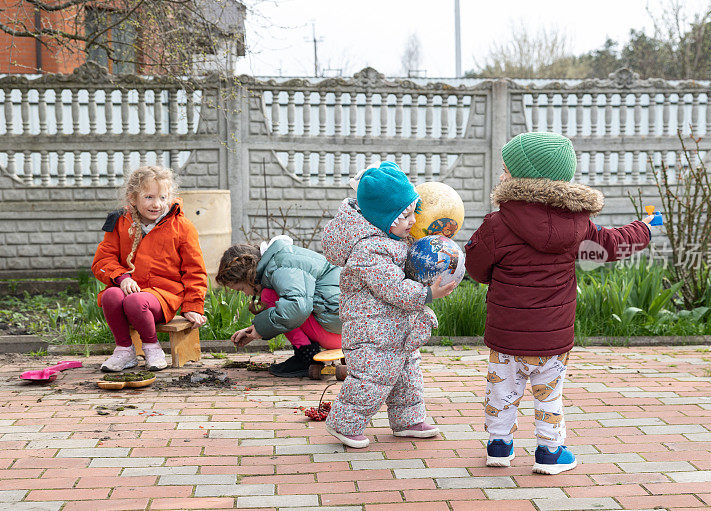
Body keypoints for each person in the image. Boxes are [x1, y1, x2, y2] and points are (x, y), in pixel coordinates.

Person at [465, 132, 653, 474]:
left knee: (502, 390)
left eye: (506, 170)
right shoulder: (579, 223)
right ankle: (550, 454)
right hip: (552, 338)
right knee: (548, 395)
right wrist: (644, 229)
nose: (502, 175)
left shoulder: (497, 223)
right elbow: (612, 244)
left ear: (523, 177)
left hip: (506, 336)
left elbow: (476, 270)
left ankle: (498, 446)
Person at [321, 160, 457, 449]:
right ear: (383, 217)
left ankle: (408, 420)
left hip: (396, 328)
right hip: (372, 331)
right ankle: (344, 423)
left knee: (407, 374)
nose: (411, 222)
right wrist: (428, 293)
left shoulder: (391, 239)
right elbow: (393, 288)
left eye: (413, 213)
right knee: (372, 378)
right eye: (404, 215)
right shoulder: (369, 249)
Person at [92, 165, 208, 372]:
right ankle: (124, 351)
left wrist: (193, 307)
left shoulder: (182, 227)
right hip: (130, 288)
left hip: (164, 295)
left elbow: (195, 271)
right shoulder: (120, 222)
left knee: (136, 301)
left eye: (163, 198)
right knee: (110, 296)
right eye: (149, 197)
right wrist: (122, 278)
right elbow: (103, 259)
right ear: (132, 198)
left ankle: (152, 348)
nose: (156, 204)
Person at [215, 236, 343, 377]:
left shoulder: (281, 266)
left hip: (337, 334)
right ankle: (306, 355)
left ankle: (306, 357)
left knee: (269, 296)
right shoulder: (282, 258)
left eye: (241, 289)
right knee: (278, 301)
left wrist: (261, 329)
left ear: (249, 276)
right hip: (346, 330)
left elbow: (297, 308)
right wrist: (255, 330)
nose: (245, 294)